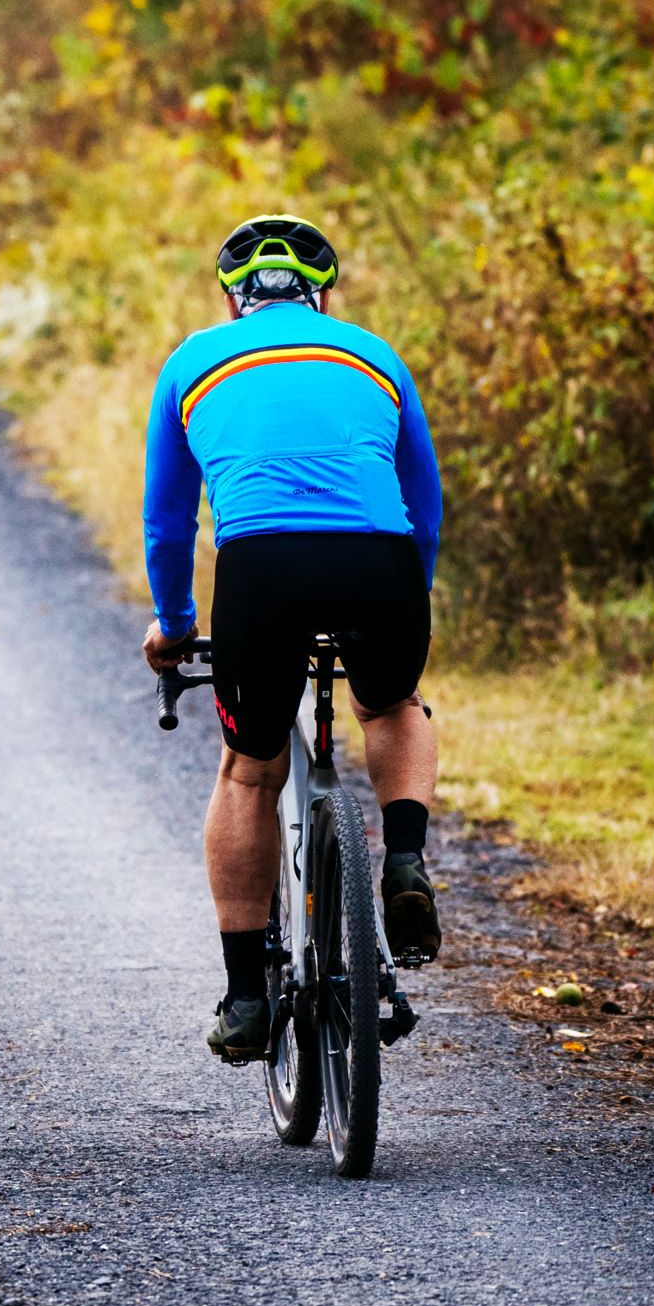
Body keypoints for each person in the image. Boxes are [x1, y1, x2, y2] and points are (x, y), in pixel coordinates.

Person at [138, 215, 444, 1064]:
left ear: (235, 296)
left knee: (248, 767)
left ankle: (244, 999)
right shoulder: (374, 353)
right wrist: (405, 599)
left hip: (262, 569)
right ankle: (406, 862)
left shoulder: (192, 360)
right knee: (391, 701)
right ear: (322, 291)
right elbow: (424, 498)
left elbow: (168, 520)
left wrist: (177, 626)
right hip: (379, 560)